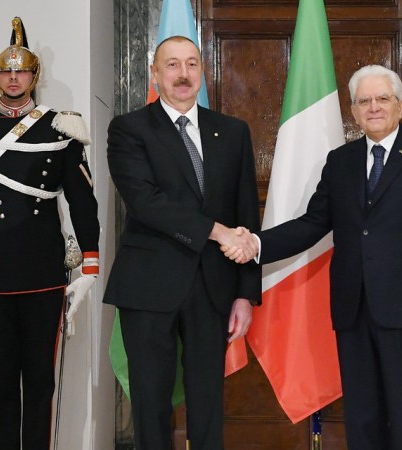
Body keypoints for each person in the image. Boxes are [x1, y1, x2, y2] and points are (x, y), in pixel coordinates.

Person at [226, 64, 402, 450]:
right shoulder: (341, 160)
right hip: (353, 310)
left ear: (400, 105)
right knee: (362, 417)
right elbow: (312, 224)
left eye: (382, 98)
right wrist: (255, 243)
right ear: (352, 111)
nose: (374, 107)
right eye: (364, 101)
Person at [0, 17, 100, 450]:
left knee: (41, 383)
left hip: (43, 273)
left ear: (34, 76)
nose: (14, 78)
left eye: (22, 71)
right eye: (6, 71)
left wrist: (89, 264)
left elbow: (82, 200)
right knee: (2, 383)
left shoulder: (60, 128)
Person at [102, 35, 261, 450]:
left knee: (208, 401)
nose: (183, 74)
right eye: (172, 65)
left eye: (191, 64)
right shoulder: (129, 129)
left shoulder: (233, 131)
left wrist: (245, 294)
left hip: (214, 285)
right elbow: (146, 203)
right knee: (151, 401)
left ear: (202, 71)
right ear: (154, 74)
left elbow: (246, 213)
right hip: (149, 284)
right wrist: (218, 232)